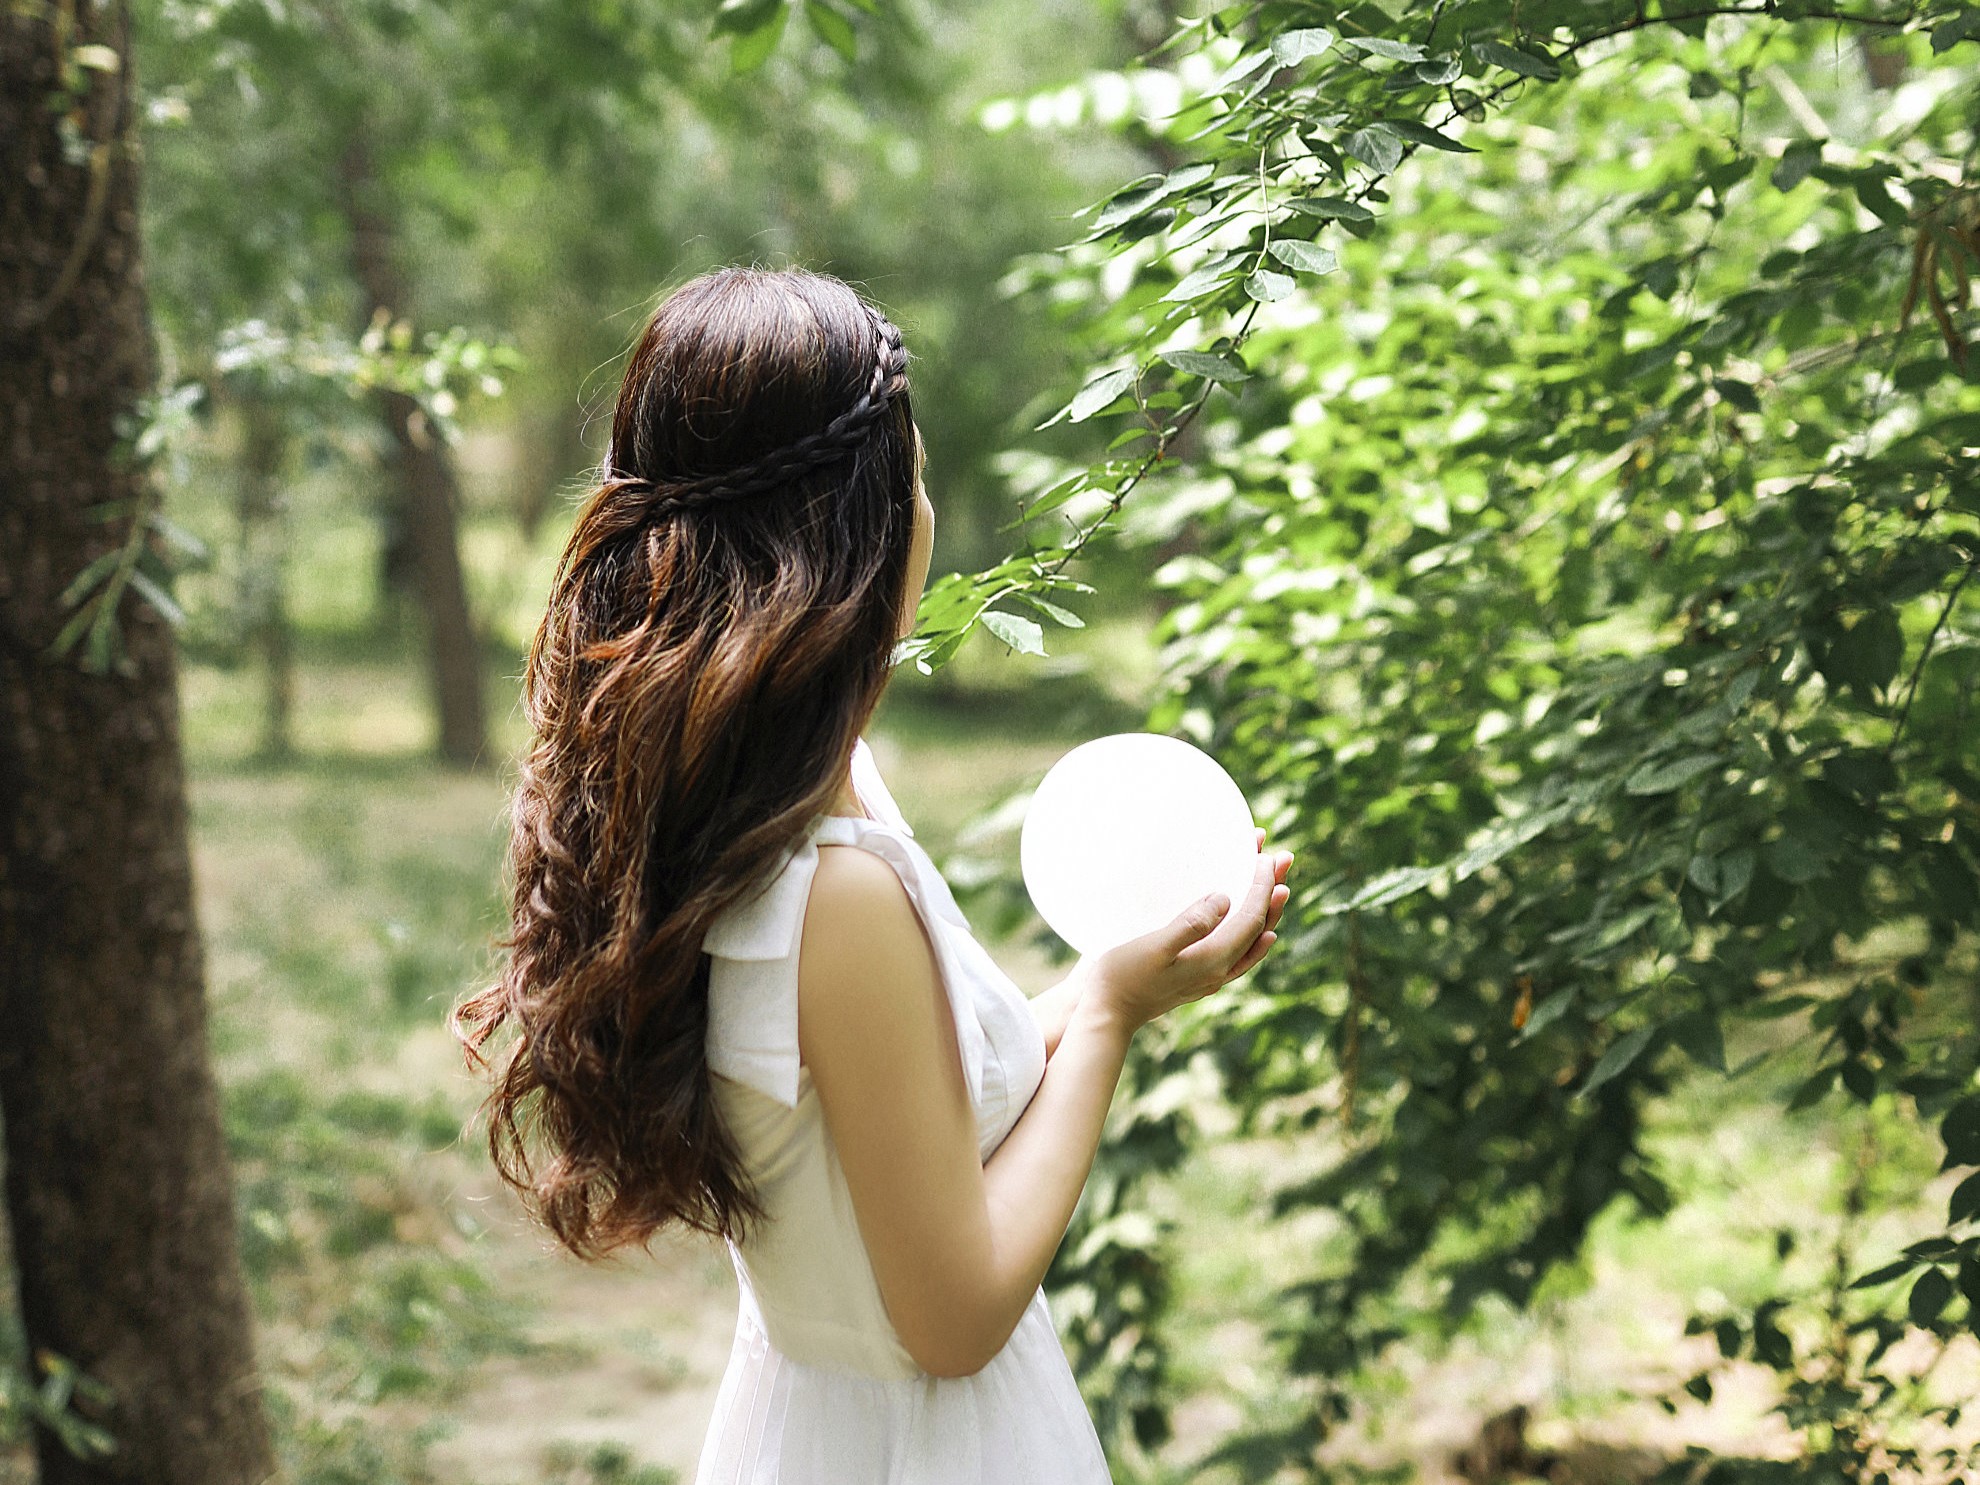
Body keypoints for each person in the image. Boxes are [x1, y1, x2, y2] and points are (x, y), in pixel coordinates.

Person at [453, 264, 1294, 1484]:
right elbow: (955, 1318)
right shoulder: (835, 886)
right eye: (917, 477)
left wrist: (1115, 979)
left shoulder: (752, 801)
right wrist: (1111, 1018)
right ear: (864, 530)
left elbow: (901, 1097)